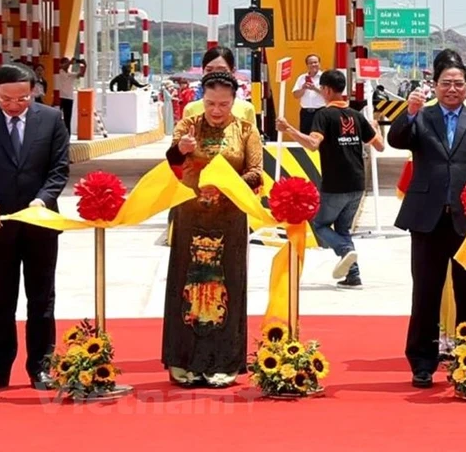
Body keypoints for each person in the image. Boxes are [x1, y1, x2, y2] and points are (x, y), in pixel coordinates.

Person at [388, 59, 466, 389]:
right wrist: (410, 112)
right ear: (436, 85)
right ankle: (422, 362)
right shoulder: (423, 115)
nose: (452, 89)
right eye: (446, 83)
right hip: (427, 217)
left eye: (459, 83)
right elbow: (397, 140)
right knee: (425, 292)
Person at [163, 71, 263, 388]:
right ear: (201, 100)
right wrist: (180, 149)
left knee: (227, 285)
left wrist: (225, 186)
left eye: (223, 103)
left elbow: (257, 173)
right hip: (191, 216)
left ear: (235, 101)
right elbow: (171, 166)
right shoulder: (188, 126)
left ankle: (225, 361)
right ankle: (182, 361)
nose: (216, 110)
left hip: (230, 219)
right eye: (210, 103)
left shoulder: (246, 129)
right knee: (186, 285)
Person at [0, 63, 70, 391]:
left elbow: (59, 169)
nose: (15, 105)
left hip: (40, 224)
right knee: (0, 299)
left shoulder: (51, 119)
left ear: (33, 91)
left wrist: (42, 200)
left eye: (23, 98)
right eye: (7, 99)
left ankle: (41, 367)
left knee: (41, 297)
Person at [276, 70, 385, 289]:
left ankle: (345, 251)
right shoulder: (357, 115)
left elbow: (313, 144)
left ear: (325, 90)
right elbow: (380, 146)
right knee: (343, 230)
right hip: (357, 184)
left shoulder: (324, 115)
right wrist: (375, 128)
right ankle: (353, 275)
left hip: (336, 184)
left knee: (320, 224)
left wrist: (289, 129)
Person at [182, 47, 255, 123]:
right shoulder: (190, 109)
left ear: (232, 71)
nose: (215, 75)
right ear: (203, 71)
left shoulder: (247, 109)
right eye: (209, 70)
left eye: (222, 70)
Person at [292, 54, 326, 134]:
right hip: (305, 112)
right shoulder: (302, 78)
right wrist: (303, 88)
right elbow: (295, 95)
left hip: (320, 111)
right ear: (307, 65)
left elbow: (328, 94)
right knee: (305, 135)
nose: (313, 65)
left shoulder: (324, 77)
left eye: (315, 62)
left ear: (319, 63)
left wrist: (315, 88)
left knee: (321, 135)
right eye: (310, 63)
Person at [58, 58, 85, 134]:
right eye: (65, 63)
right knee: (58, 117)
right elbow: (61, 67)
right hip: (61, 97)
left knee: (68, 118)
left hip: (69, 98)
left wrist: (84, 65)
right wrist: (70, 62)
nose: (68, 65)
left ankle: (68, 135)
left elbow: (81, 74)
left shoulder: (70, 74)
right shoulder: (60, 72)